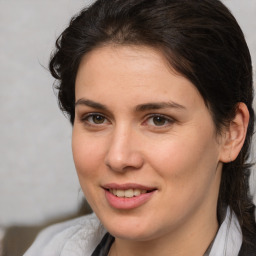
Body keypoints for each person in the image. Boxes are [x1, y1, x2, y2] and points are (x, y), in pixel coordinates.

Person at [24, 0, 256, 255]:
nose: (118, 157)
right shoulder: (48, 248)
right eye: (97, 118)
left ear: (231, 134)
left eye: (159, 120)